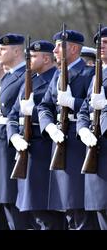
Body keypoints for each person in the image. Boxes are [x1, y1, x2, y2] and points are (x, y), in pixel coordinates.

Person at [37, 29, 99, 230]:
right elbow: (44, 106)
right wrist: (48, 126)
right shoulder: (57, 74)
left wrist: (73, 102)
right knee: (67, 208)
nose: (54, 50)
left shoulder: (89, 73)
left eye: (58, 45)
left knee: (79, 207)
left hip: (78, 143)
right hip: (59, 140)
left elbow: (93, 106)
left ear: (73, 48)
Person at [6, 40, 65, 230]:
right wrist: (13, 135)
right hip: (25, 149)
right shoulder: (28, 79)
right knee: (33, 211)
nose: (28, 60)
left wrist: (34, 116)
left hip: (43, 149)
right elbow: (13, 114)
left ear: (46, 58)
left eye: (33, 56)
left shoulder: (56, 79)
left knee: (46, 213)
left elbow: (56, 114)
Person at [0, 33, 31, 230]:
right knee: (4, 203)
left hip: (10, 145)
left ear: (17, 51)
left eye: (3, 49)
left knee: (13, 203)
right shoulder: (8, 76)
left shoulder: (26, 76)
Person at [77, 27, 107, 229]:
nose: (102, 47)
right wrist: (82, 129)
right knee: (100, 210)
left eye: (106, 43)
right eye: (100, 44)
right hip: (96, 146)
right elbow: (84, 110)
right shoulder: (99, 73)